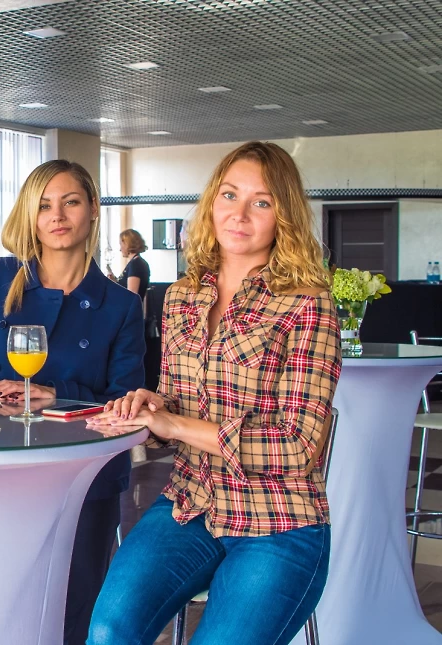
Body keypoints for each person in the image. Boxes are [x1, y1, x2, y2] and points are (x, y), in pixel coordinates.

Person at [85, 141, 342, 645]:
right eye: (229, 195)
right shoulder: (182, 296)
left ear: (284, 216)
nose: (239, 214)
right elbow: (173, 405)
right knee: (109, 629)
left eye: (261, 201)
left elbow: (299, 446)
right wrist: (148, 410)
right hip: (190, 504)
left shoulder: (308, 304)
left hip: (280, 521)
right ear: (211, 202)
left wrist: (174, 424)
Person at [0, 159, 146, 645]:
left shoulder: (119, 305)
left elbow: (126, 399)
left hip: (86, 474)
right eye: (44, 205)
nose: (57, 216)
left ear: (92, 209)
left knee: (73, 610)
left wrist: (58, 394)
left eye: (70, 202)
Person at [114, 229, 150, 303]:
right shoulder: (136, 263)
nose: (120, 249)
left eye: (121, 244)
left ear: (127, 244)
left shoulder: (136, 264)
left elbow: (131, 295)